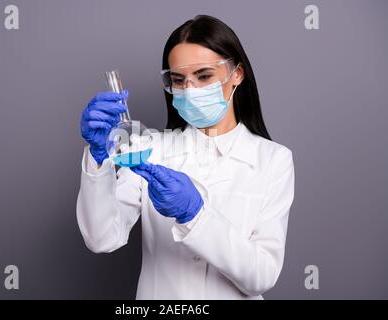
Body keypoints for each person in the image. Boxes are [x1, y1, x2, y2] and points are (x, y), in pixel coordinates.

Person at [77, 15, 295, 299]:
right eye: (179, 80)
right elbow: (101, 237)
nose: (190, 90)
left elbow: (261, 276)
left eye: (204, 76)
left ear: (237, 75)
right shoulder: (148, 148)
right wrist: (98, 159)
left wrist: (196, 215)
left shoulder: (273, 160)